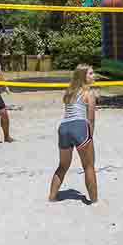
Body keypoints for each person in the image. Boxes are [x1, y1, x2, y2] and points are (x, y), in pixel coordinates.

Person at [49, 64, 99, 203]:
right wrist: (90, 137)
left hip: (64, 128)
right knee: (89, 166)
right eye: (90, 73)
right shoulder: (89, 94)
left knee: (63, 166)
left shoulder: (69, 93)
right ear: (83, 77)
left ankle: (52, 197)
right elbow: (91, 120)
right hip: (79, 127)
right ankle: (94, 200)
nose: (94, 76)